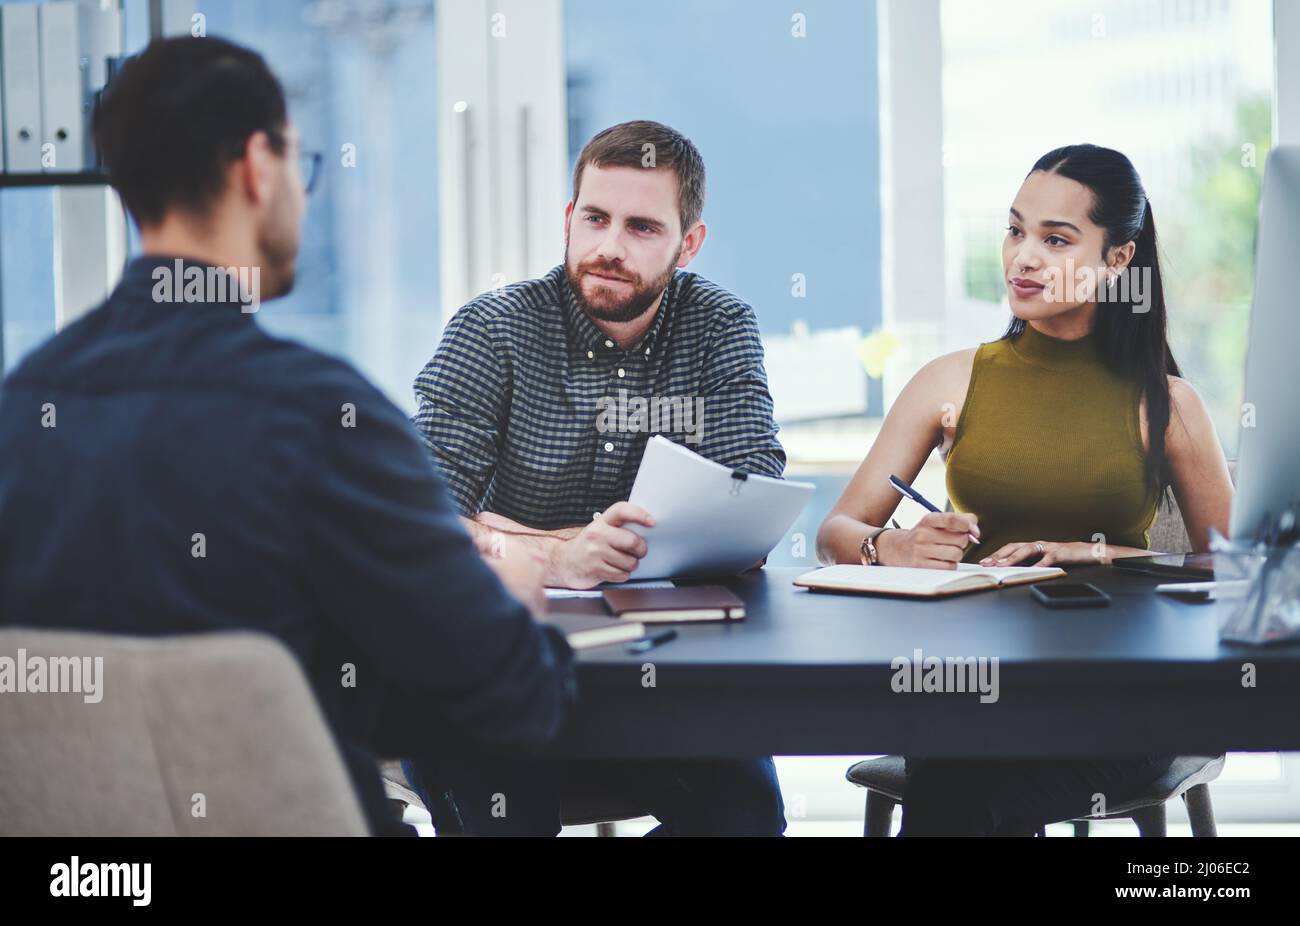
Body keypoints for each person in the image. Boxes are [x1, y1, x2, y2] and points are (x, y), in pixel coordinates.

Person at [0, 35, 573, 837]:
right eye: (300, 169)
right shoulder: (323, 419)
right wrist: (517, 596)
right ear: (257, 169)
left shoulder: (22, 411)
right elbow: (513, 698)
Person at [817, 144, 1234, 835]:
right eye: (1015, 230)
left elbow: (1236, 568)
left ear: (1119, 260)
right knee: (961, 780)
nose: (1023, 257)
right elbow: (834, 533)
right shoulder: (951, 380)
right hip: (969, 686)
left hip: (1117, 695)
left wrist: (1099, 554)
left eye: (1056, 239)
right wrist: (892, 544)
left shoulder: (1168, 404)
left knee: (960, 798)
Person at [408, 120, 786, 835]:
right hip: (496, 670)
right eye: (595, 218)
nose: (610, 247)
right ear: (568, 220)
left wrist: (516, 532)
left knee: (744, 818)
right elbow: (417, 521)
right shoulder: (491, 331)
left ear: (689, 243)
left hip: (668, 677)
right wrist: (557, 553)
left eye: (642, 227)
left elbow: (750, 498)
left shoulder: (719, 326)